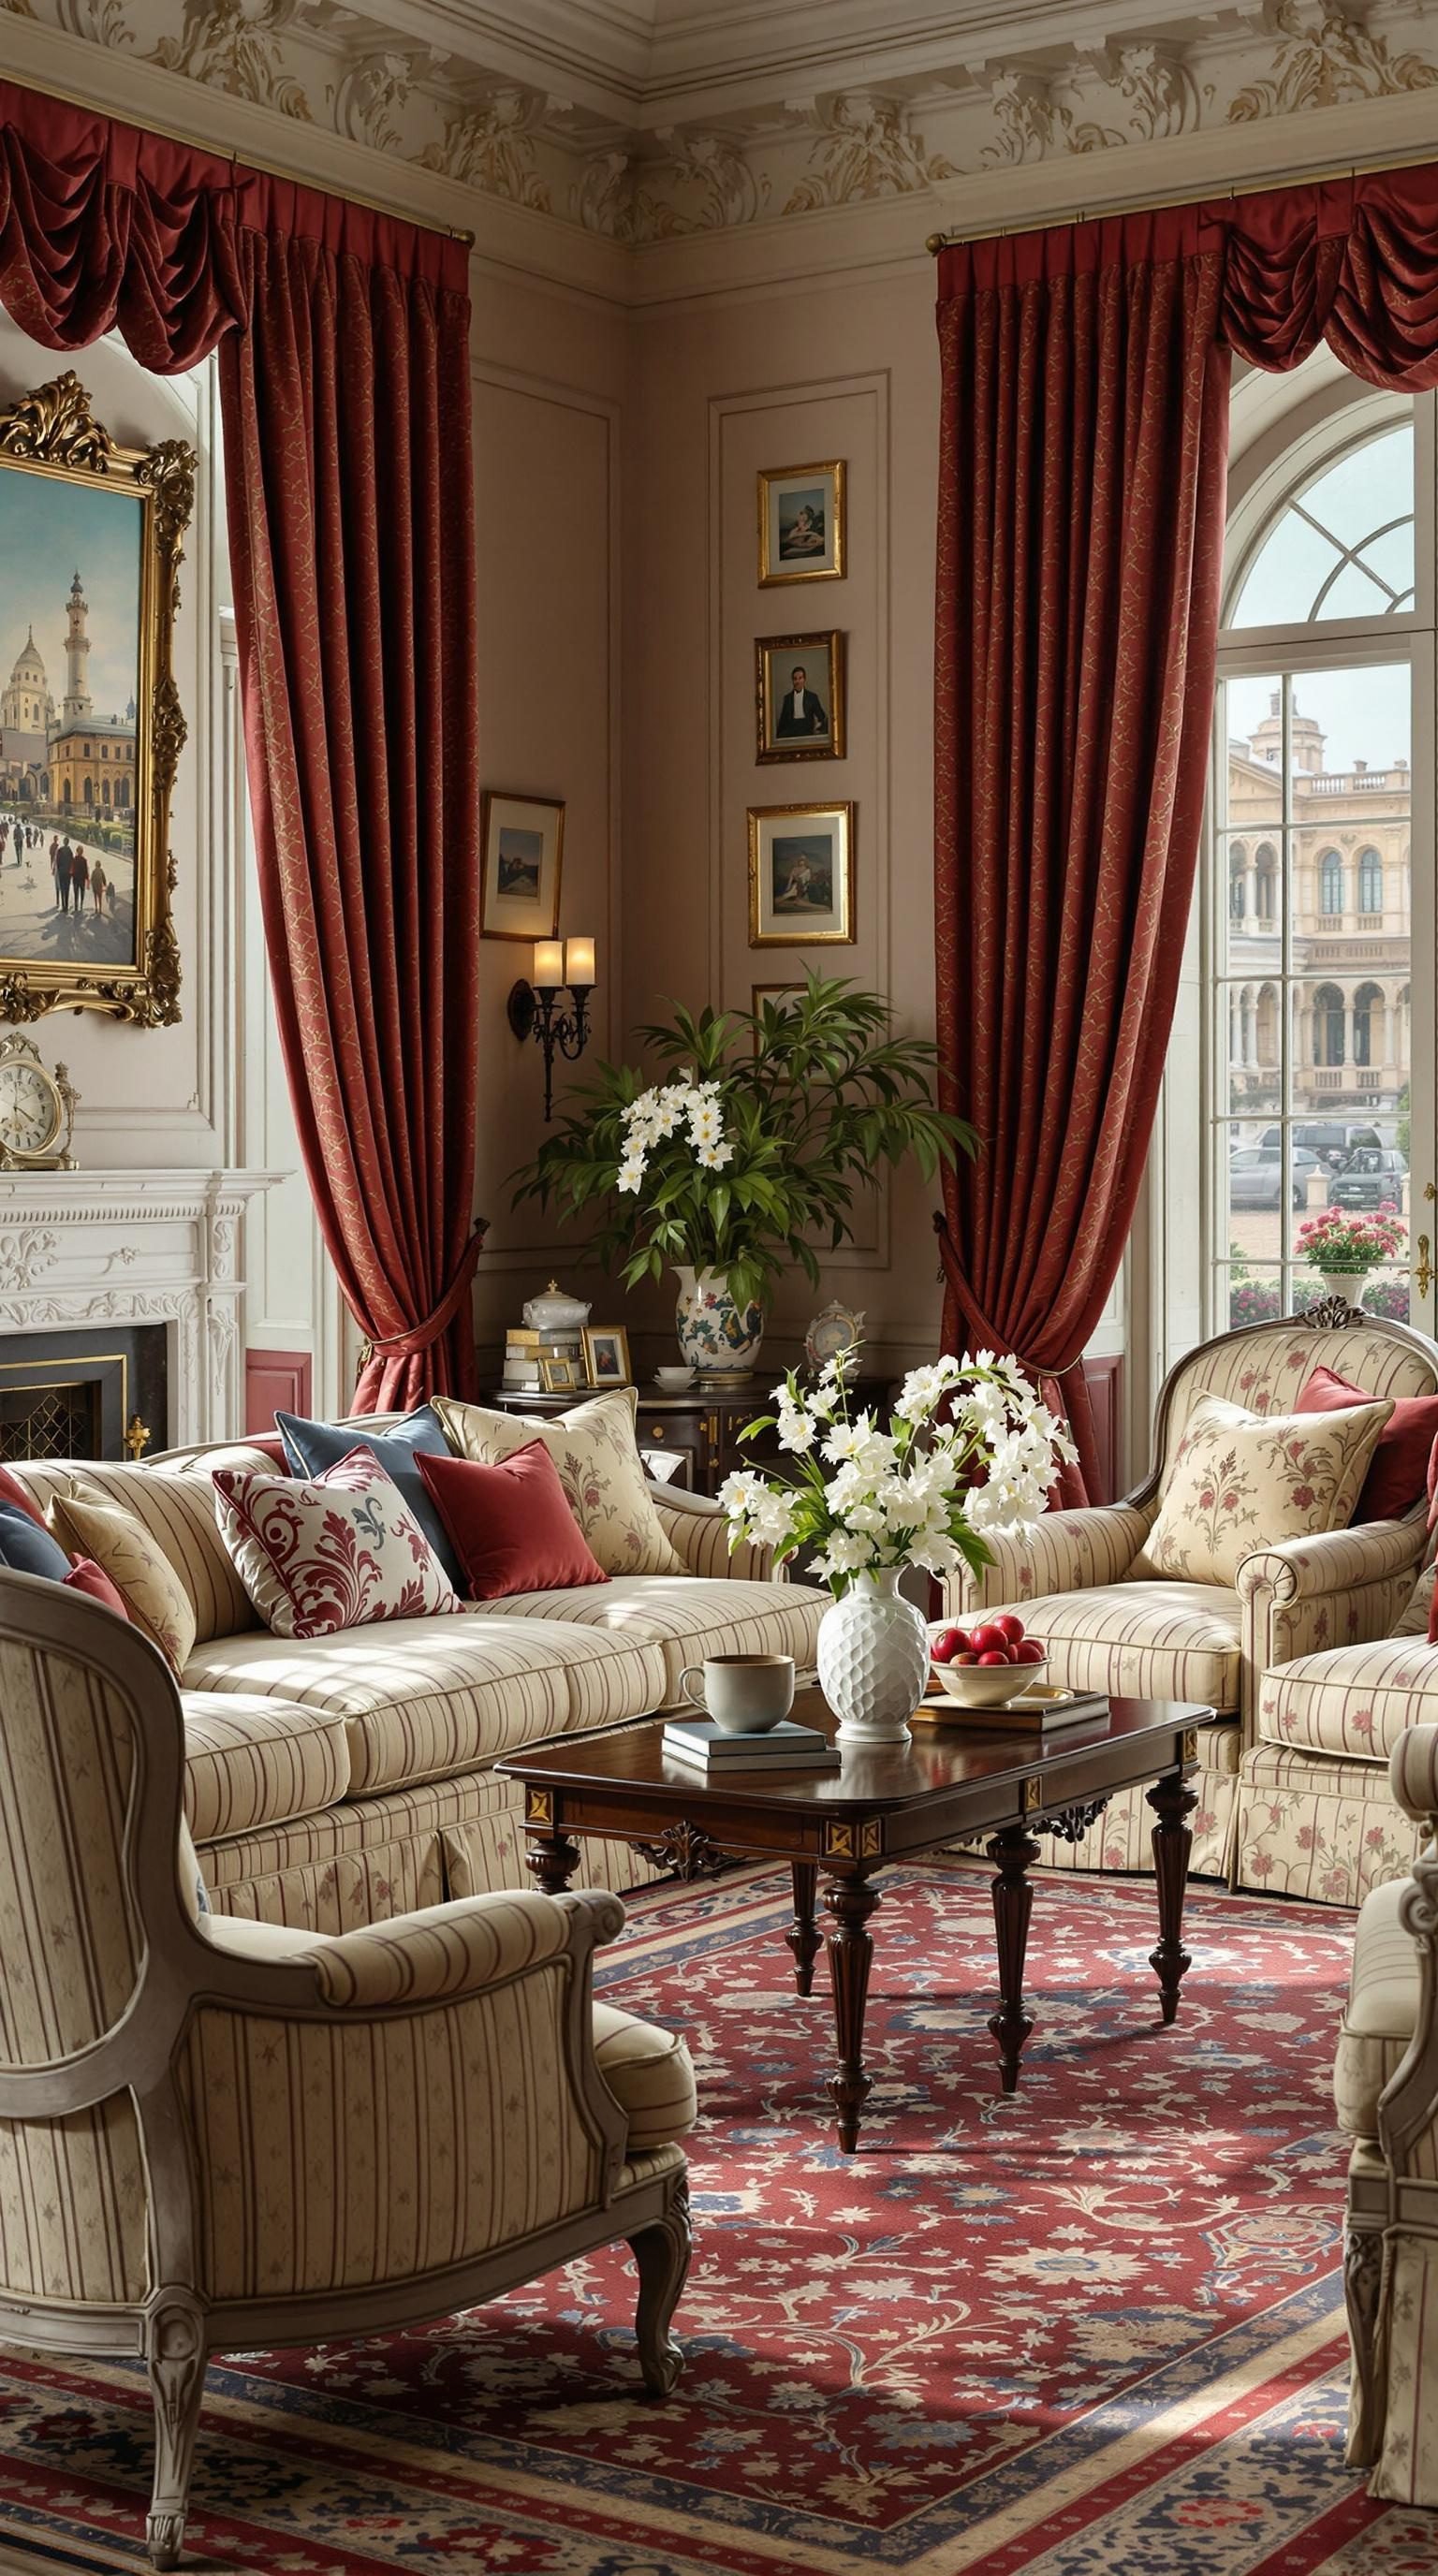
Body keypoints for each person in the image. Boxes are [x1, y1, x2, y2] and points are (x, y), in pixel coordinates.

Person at [775, 663, 829, 739]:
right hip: (791, 730)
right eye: (795, 679)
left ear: (804, 679)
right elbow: (782, 721)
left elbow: (821, 717)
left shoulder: (812, 697)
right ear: (792, 681)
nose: (797, 681)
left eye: (800, 678)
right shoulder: (787, 698)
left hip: (807, 729)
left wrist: (818, 727)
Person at [55, 839, 74, 915]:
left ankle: (63, 906)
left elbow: (57, 861)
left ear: (63, 842)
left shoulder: (60, 850)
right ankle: (66, 906)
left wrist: (59, 870)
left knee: (62, 889)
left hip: (62, 872)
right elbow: (72, 862)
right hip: (68, 873)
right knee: (67, 889)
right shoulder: (70, 851)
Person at [71, 845, 89, 914]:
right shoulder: (84, 860)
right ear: (82, 852)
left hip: (75, 879)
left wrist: (72, 875)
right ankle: (81, 904)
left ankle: (76, 905)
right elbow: (85, 870)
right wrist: (87, 879)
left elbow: (72, 869)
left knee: (76, 892)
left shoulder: (74, 859)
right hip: (82, 879)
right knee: (82, 892)